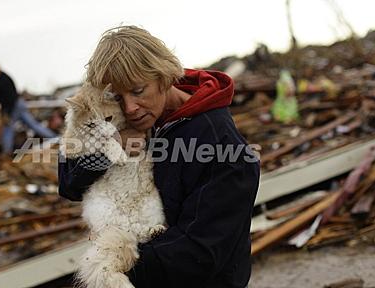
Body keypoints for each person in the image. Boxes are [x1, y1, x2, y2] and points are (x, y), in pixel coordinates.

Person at [58, 26, 260, 288]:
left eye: (138, 90)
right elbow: (68, 182)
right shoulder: (123, 122)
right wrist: (109, 151)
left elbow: (201, 251)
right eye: (118, 97)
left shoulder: (220, 143)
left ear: (163, 77)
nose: (130, 108)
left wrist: (119, 269)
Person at [0, 61, 58, 154]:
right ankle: (54, 137)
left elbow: (10, 97)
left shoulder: (3, 79)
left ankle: (6, 152)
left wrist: (7, 113)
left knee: (8, 129)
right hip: (17, 105)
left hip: (14, 106)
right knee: (32, 124)